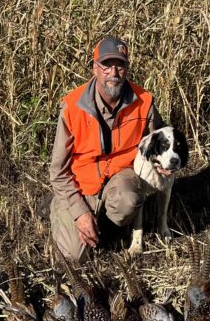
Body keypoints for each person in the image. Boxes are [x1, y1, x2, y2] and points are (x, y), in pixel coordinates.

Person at [49, 36, 164, 264]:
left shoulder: (144, 102)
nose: (113, 72)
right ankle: (65, 209)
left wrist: (165, 162)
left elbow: (161, 140)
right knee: (73, 256)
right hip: (82, 186)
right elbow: (58, 172)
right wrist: (80, 213)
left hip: (121, 181)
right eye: (106, 65)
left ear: (127, 68)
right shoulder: (72, 107)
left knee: (128, 200)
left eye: (120, 65)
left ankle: (109, 226)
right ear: (95, 68)